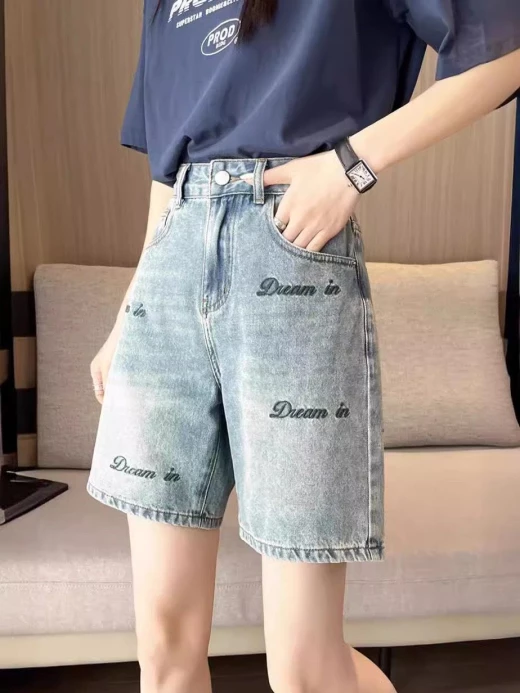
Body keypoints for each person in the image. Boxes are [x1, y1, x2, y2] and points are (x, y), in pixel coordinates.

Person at [87, 1, 520, 692]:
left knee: (304, 667)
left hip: (289, 252)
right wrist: (126, 317)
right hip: (165, 283)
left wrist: (350, 167)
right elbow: (167, 176)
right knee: (163, 651)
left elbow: (504, 55)